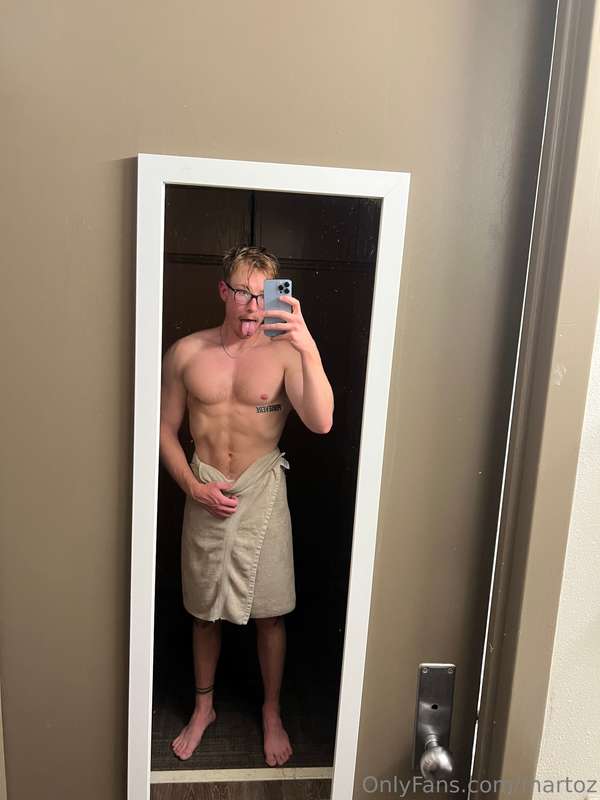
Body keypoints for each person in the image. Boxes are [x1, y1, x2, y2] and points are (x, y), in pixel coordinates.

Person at [159, 245, 334, 766]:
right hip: (205, 488)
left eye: (263, 294)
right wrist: (192, 486)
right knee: (202, 614)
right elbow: (164, 429)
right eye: (242, 292)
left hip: (262, 491)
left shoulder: (285, 353)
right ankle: (203, 708)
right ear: (223, 291)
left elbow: (321, 421)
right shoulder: (186, 353)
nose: (253, 306)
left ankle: (272, 711)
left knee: (271, 616)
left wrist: (307, 345)